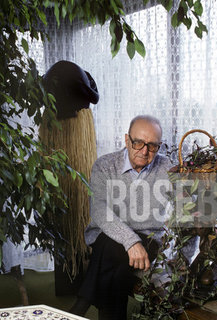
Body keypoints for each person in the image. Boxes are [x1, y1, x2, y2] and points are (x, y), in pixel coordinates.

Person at [70, 115, 172, 319]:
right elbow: (99, 210)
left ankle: (78, 309)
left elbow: (188, 206)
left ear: (159, 147)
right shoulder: (105, 165)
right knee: (111, 249)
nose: (144, 151)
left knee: (111, 261)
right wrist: (130, 241)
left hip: (148, 238)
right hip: (106, 235)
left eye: (152, 146)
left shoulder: (167, 168)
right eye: (138, 143)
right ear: (127, 140)